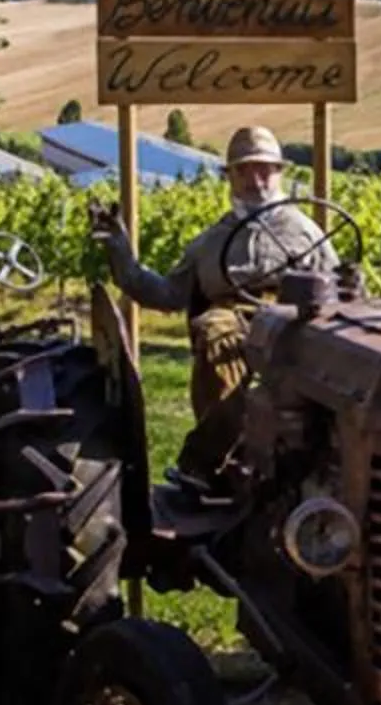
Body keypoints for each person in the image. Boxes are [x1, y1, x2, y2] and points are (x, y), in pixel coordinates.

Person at [96, 125, 329, 503]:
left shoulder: (307, 233)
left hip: (295, 319)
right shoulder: (211, 242)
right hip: (233, 320)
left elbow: (338, 293)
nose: (256, 180)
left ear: (279, 173)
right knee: (217, 332)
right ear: (230, 177)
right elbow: (167, 294)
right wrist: (120, 253)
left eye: (264, 170)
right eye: (244, 170)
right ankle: (208, 460)